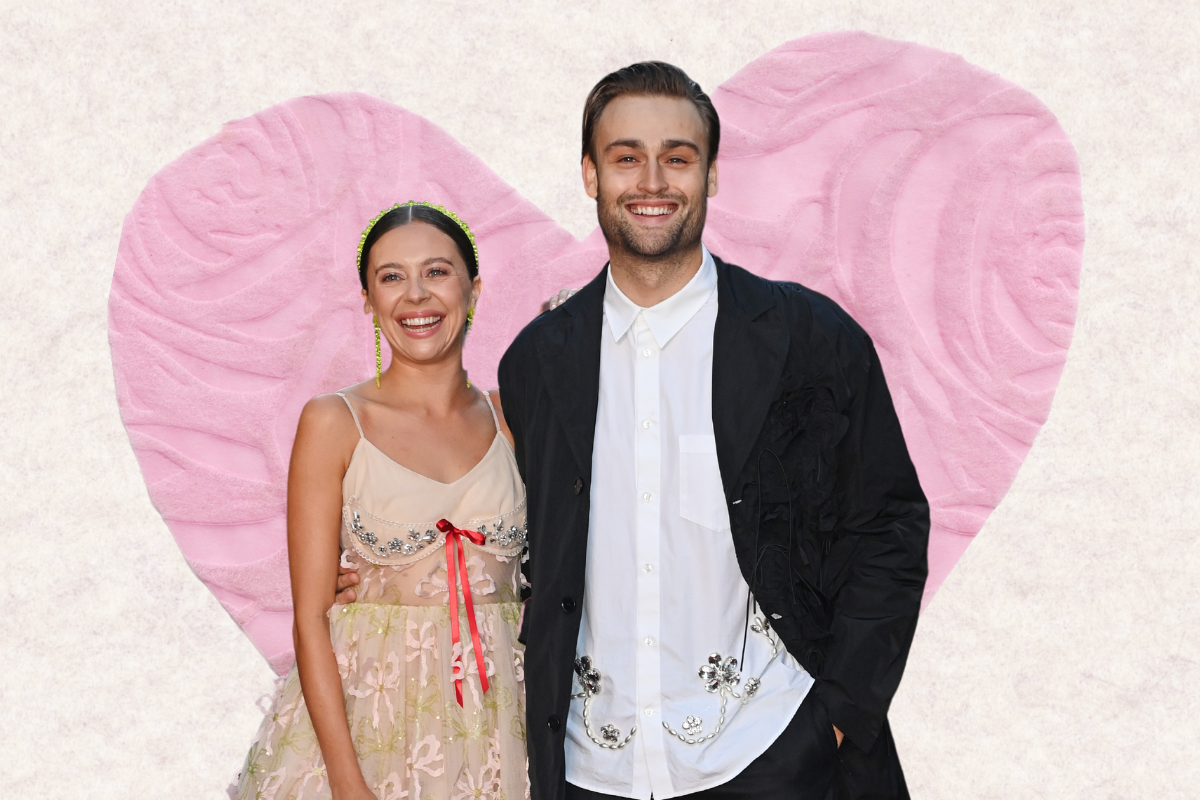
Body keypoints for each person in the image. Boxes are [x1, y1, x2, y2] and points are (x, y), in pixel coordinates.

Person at [495, 63, 929, 800]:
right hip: (590, 769)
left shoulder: (808, 338)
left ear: (713, 174)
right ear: (589, 173)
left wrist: (835, 716)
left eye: (679, 156)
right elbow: (531, 540)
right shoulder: (538, 360)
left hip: (772, 752)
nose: (653, 180)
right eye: (626, 156)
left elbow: (887, 524)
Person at [238, 202, 530, 800]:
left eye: (438, 272)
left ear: (474, 289)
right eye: (391, 277)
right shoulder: (333, 421)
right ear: (368, 301)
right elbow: (311, 619)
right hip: (368, 727)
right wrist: (347, 781)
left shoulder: (514, 418)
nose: (416, 296)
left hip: (504, 725)